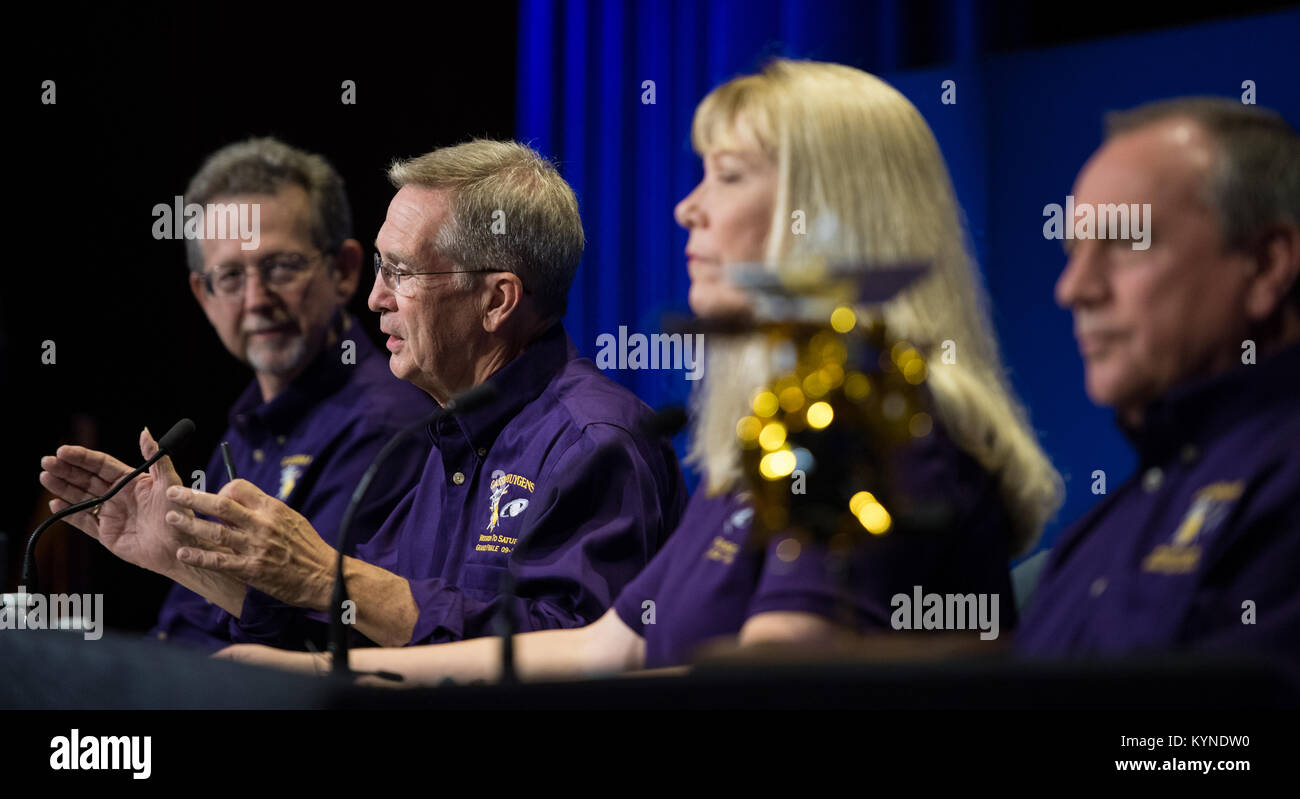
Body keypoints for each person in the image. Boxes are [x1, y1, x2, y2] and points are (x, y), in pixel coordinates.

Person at [218, 59, 1063, 681]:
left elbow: (760, 684)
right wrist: (299, 676)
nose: (686, 206)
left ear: (833, 214)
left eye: (727, 176)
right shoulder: (780, 436)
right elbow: (604, 649)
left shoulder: (877, 427)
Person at [43, 139, 688, 648]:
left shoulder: (595, 443)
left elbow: (577, 656)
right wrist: (177, 559)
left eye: (401, 272)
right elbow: (346, 622)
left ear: (496, 300)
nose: (375, 298)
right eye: (380, 267)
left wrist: (332, 574)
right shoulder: (446, 435)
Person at [39, 137, 435, 652]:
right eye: (230, 276)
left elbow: (328, 645)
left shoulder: (388, 425)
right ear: (203, 294)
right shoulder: (251, 417)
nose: (255, 300)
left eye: (280, 267)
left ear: (343, 271)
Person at [1017, 98, 1300, 658]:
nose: (1073, 289)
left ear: (1267, 264)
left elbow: (1216, 747)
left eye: (1124, 243)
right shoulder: (1097, 534)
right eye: (1074, 251)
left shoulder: (1285, 485)